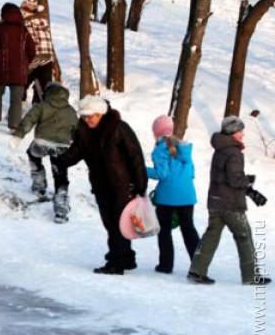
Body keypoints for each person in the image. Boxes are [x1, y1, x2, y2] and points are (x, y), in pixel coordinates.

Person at [57, 95, 148, 274]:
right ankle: (126, 257)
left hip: (123, 185)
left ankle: (116, 262)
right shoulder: (84, 132)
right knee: (111, 223)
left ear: (100, 114)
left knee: (117, 224)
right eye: (84, 116)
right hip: (101, 185)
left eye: (91, 116)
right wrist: (61, 160)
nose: (87, 120)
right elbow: (76, 152)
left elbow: (135, 157)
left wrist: (140, 185)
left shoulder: (119, 128)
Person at [188, 116, 271, 285]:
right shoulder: (234, 152)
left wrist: (248, 187)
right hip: (231, 204)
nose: (242, 134)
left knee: (211, 236)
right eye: (240, 131)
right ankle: (251, 276)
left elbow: (225, 177)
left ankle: (197, 270)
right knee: (244, 237)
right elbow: (234, 179)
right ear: (233, 132)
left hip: (216, 201)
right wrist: (248, 182)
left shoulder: (220, 149)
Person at [11, 82, 78, 222]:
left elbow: (28, 120)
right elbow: (76, 131)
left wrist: (18, 135)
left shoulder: (42, 106)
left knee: (33, 154)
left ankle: (39, 185)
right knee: (60, 175)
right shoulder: (71, 111)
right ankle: (61, 208)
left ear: (48, 93)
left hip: (41, 143)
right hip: (61, 147)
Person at [145, 115, 200, 274]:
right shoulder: (184, 147)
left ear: (156, 132)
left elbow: (162, 174)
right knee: (189, 230)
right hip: (187, 196)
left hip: (167, 198)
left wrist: (142, 170)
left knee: (164, 231)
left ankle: (166, 265)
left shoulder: (160, 150)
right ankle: (199, 265)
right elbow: (192, 172)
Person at [0, 2, 36, 131]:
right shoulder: (23, 30)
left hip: (1, 69)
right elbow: (32, 51)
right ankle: (14, 126)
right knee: (16, 99)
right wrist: (25, 63)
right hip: (19, 71)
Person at [20, 0, 55, 104]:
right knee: (44, 84)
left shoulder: (28, 22)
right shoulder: (43, 21)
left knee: (22, 81)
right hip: (47, 57)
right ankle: (40, 104)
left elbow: (31, 41)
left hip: (35, 56)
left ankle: (20, 103)